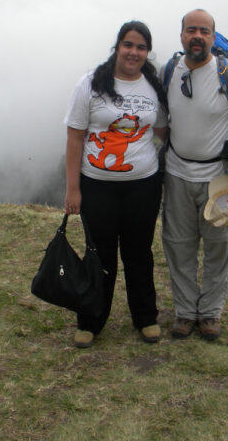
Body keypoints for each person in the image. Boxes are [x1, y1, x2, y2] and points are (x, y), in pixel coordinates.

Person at [64, 20, 167, 348]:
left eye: (140, 47)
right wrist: (72, 188)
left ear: (147, 52)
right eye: (128, 45)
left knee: (139, 253)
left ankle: (145, 317)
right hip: (97, 186)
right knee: (100, 254)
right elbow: (75, 136)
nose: (133, 52)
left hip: (143, 185)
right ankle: (91, 320)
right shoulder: (91, 84)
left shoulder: (153, 86)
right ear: (117, 47)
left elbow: (162, 131)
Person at [160, 9, 228, 341]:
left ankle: (211, 313)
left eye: (205, 31)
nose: (197, 36)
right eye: (192, 30)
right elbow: (162, 122)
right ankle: (186, 312)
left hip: (220, 177)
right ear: (182, 36)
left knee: (219, 245)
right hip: (177, 173)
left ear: (213, 37)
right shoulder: (170, 72)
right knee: (178, 245)